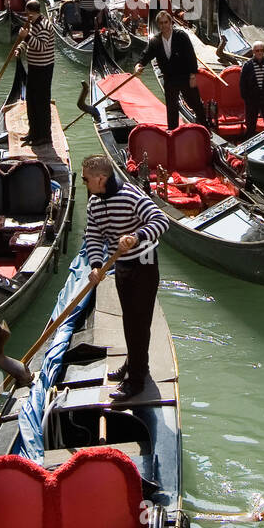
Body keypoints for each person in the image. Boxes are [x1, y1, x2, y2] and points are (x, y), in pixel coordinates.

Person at [83, 154, 169, 403]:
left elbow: (161, 221)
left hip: (144, 263)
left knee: (138, 322)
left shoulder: (131, 195)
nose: (85, 184)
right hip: (121, 265)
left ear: (101, 178)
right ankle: (133, 363)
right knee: (129, 319)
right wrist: (96, 265)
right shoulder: (94, 203)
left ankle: (137, 379)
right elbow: (94, 236)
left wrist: (136, 236)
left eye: (87, 179)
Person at [135, 11, 207, 129]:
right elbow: (146, 55)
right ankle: (173, 131)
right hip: (169, 78)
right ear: (158, 25)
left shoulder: (181, 36)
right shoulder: (155, 41)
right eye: (161, 23)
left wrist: (193, 75)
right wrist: (139, 64)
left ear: (171, 23)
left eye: (166, 22)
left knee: (195, 104)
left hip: (185, 76)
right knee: (171, 107)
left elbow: (191, 56)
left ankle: (205, 128)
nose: (164, 25)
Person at [18, 0, 56, 146]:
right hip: (34, 67)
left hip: (43, 69)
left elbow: (40, 46)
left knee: (41, 103)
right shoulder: (33, 24)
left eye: (28, 14)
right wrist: (20, 48)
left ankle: (44, 136)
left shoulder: (45, 26)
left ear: (33, 13)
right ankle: (33, 132)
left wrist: (25, 37)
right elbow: (27, 41)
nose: (26, 17)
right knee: (31, 102)